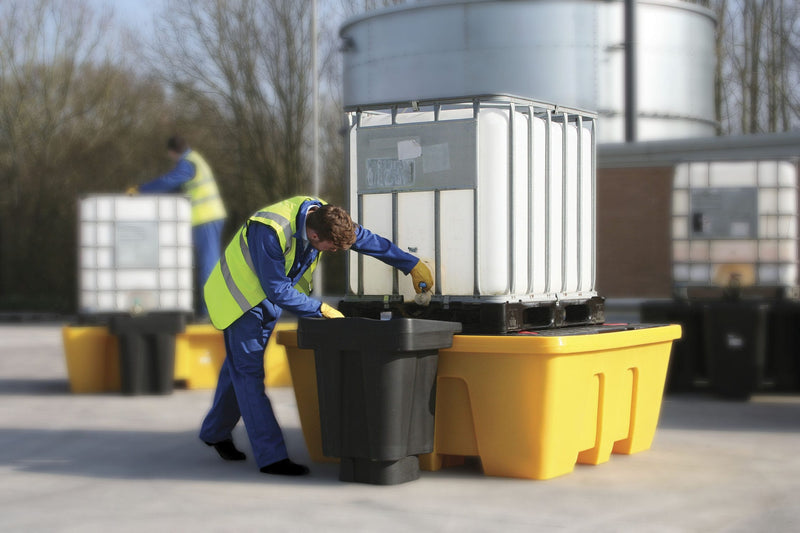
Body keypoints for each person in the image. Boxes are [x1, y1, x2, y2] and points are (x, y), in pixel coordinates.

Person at [199, 195, 433, 476]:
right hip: (241, 299)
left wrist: (409, 264)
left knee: (237, 368)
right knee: (248, 374)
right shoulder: (269, 230)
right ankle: (271, 457)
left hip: (265, 297)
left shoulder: (326, 217)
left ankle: (214, 432)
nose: (334, 252)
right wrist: (320, 309)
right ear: (313, 234)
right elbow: (277, 289)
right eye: (332, 248)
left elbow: (364, 239)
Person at [128, 136, 227, 319]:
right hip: (208, 219)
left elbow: (169, 181)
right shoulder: (194, 160)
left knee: (208, 266)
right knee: (204, 264)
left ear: (172, 152)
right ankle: (210, 310)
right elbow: (176, 186)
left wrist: (141, 191)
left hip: (206, 219)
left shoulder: (188, 164)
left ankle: (210, 312)